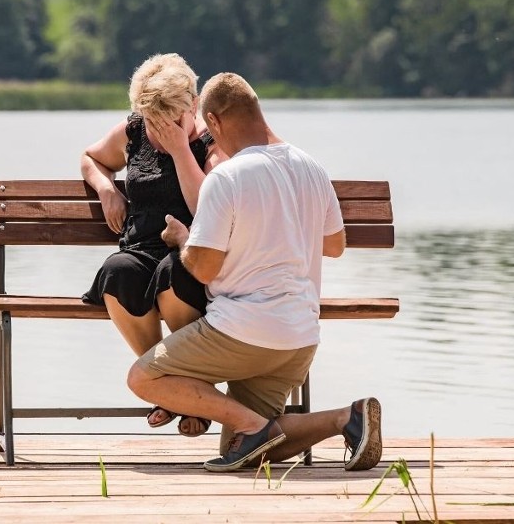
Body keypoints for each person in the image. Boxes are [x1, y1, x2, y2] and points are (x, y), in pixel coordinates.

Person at [126, 72, 383, 472]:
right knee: (245, 449)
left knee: (143, 378)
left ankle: (253, 423)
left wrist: (183, 241)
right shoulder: (310, 166)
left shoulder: (227, 178)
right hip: (300, 338)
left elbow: (204, 267)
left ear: (212, 121)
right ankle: (345, 418)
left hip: (243, 333)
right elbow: (334, 246)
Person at [81, 53, 224, 437]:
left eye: (170, 118)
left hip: (192, 257)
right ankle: (172, 385)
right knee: (116, 271)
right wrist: (107, 188)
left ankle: (180, 387)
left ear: (193, 105)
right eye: (152, 119)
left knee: (169, 273)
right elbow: (91, 158)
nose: (159, 128)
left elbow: (203, 206)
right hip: (140, 249)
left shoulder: (212, 143)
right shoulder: (133, 132)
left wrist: (180, 148)